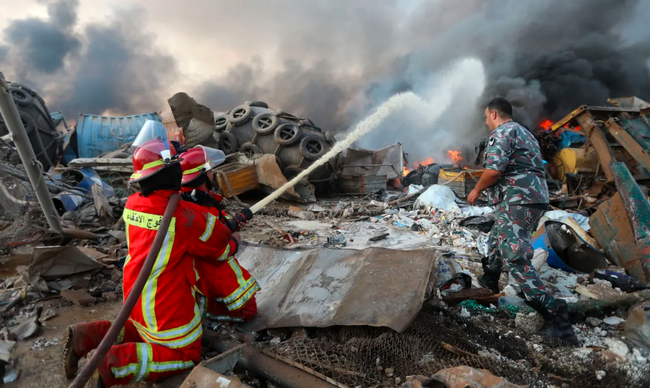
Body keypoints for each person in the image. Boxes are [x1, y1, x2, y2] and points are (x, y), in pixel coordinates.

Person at [63, 139, 236, 387]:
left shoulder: (134, 204)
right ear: (171, 171)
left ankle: (83, 335)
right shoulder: (185, 217)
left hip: (136, 296)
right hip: (166, 307)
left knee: (137, 331)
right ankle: (113, 365)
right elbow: (218, 244)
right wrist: (230, 229)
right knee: (185, 355)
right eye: (177, 164)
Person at [468, 97, 578, 345]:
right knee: (499, 235)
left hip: (517, 199)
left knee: (515, 256)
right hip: (531, 197)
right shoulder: (524, 133)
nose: (486, 121)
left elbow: (494, 170)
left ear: (494, 114)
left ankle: (555, 316)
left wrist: (475, 191)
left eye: (486, 117)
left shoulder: (501, 132)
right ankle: (489, 278)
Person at [179, 146, 260, 323]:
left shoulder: (191, 200)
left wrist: (231, 224)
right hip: (208, 270)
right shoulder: (201, 210)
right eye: (210, 170)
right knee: (249, 310)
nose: (213, 173)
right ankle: (208, 311)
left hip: (196, 272)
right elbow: (215, 251)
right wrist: (234, 242)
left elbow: (215, 226)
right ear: (203, 175)